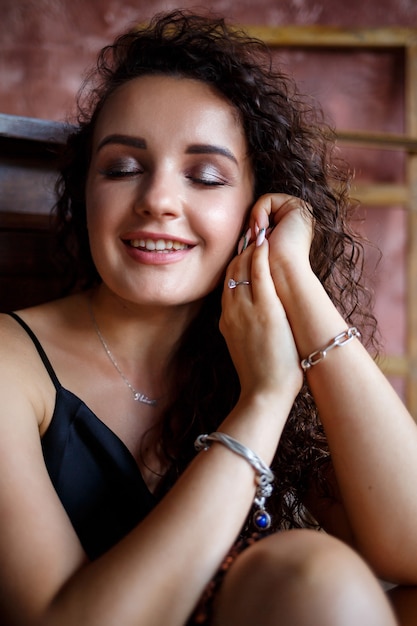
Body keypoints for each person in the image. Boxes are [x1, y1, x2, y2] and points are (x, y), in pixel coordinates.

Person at [0, 8, 417, 626]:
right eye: (122, 168)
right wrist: (266, 397)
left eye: (205, 176)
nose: (159, 200)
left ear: (254, 209)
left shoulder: (248, 344)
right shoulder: (10, 362)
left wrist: (295, 278)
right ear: (84, 191)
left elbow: (410, 544)